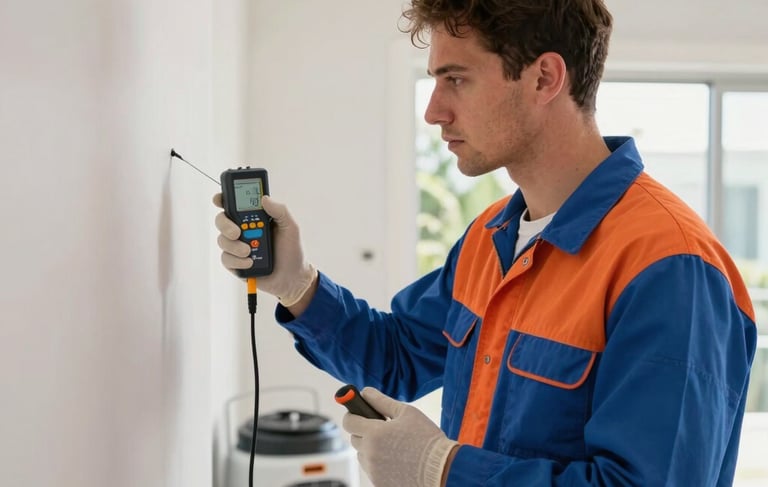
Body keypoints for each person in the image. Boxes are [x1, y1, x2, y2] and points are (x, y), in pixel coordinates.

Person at [214, 0, 758, 485]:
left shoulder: (671, 267)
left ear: (545, 78)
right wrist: (297, 284)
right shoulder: (491, 235)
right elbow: (398, 356)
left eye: (456, 79)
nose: (433, 111)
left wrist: (442, 469)